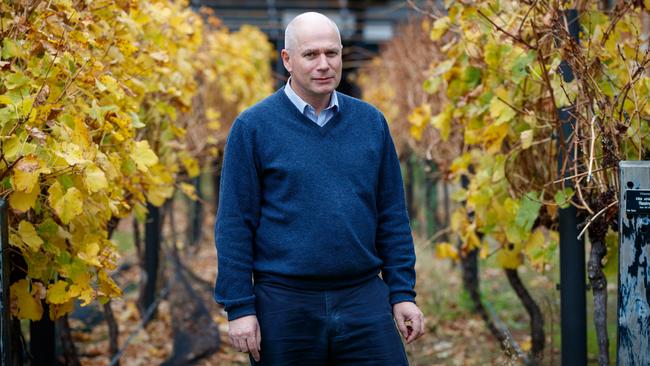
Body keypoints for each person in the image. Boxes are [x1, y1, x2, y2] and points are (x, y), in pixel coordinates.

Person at [214, 12, 424, 365]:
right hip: (283, 303)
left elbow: (391, 215)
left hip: (362, 295)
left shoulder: (371, 122)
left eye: (332, 53)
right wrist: (239, 307)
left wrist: (402, 292)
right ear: (287, 60)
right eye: (311, 55)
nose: (324, 65)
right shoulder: (252, 127)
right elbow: (235, 223)